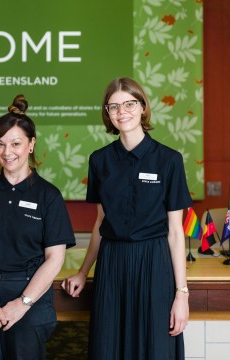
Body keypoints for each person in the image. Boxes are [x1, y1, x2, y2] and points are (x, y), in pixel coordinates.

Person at [61, 77, 191, 359]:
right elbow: (100, 223)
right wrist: (83, 271)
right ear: (107, 114)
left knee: (155, 346)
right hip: (112, 264)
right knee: (110, 346)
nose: (122, 112)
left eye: (130, 104)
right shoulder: (100, 161)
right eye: (114, 107)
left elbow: (175, 232)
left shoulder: (169, 160)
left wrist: (181, 294)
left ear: (143, 107)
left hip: (154, 263)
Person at [0, 94, 76, 359]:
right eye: (0, 144)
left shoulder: (49, 196)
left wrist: (22, 304)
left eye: (15, 143)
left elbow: (54, 259)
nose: (7, 152)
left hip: (28, 298)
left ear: (31, 145)